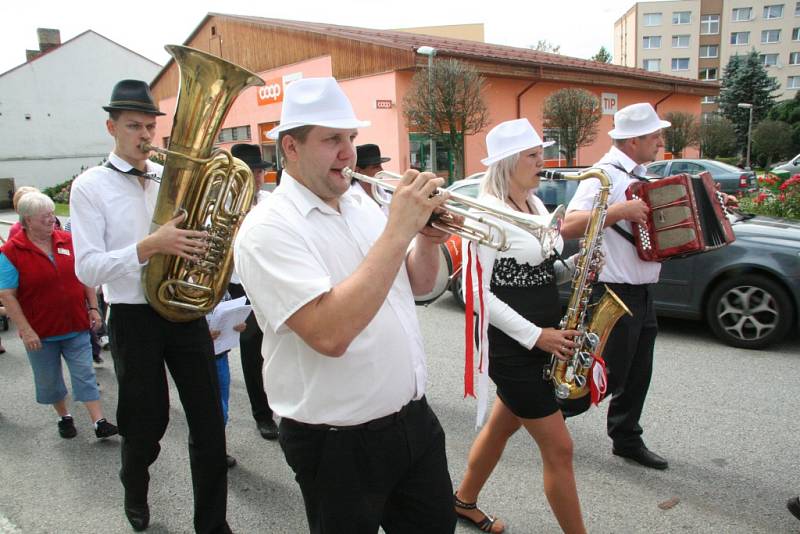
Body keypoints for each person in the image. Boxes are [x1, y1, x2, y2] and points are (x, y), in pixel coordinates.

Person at [234, 76, 457, 533]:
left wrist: (426, 241)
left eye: (351, 138)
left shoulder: (359, 202)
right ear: (291, 147)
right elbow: (329, 333)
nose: (348, 152)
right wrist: (399, 230)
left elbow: (417, 286)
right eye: (331, 139)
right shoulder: (267, 229)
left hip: (413, 420)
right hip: (336, 445)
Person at [69, 79, 230, 533]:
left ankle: (212, 524)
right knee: (145, 423)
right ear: (112, 127)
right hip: (134, 316)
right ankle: (133, 483)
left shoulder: (168, 177)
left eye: (149, 127)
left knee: (209, 425)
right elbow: (88, 269)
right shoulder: (90, 187)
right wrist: (148, 247)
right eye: (134, 126)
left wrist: (201, 252)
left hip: (183, 308)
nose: (144, 135)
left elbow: (198, 236)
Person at [455, 119, 586, 534]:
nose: (541, 161)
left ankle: (462, 502)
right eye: (533, 155)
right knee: (560, 449)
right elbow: (474, 294)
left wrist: (575, 270)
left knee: (499, 428)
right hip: (515, 350)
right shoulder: (487, 214)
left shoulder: (534, 204)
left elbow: (537, 267)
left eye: (539, 152)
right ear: (509, 163)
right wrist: (537, 336)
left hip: (544, 338)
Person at [560, 102, 671, 470]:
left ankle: (626, 439)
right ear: (635, 139)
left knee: (638, 373)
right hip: (612, 291)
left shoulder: (639, 173)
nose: (660, 140)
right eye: (655, 135)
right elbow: (569, 225)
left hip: (640, 291)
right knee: (606, 374)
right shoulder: (605, 174)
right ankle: (542, 414)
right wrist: (620, 211)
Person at [0, 192, 118, 440]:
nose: (51, 220)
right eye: (44, 217)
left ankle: (99, 421)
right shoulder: (12, 252)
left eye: (52, 214)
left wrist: (93, 307)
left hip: (75, 323)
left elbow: (84, 275)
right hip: (40, 332)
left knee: (84, 373)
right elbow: (8, 295)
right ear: (27, 220)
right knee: (50, 380)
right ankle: (64, 416)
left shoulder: (68, 241)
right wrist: (26, 329)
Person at [228, 143, 278, 440]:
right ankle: (263, 414)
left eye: (260, 171)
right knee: (252, 353)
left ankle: (282, 402)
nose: (258, 176)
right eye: (252, 171)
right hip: (239, 287)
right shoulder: (222, 206)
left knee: (279, 347)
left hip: (270, 284)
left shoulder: (270, 201)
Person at [351, 143, 391, 210]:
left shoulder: (389, 196)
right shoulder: (349, 199)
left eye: (380, 166)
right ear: (357, 171)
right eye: (376, 167)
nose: (381, 170)